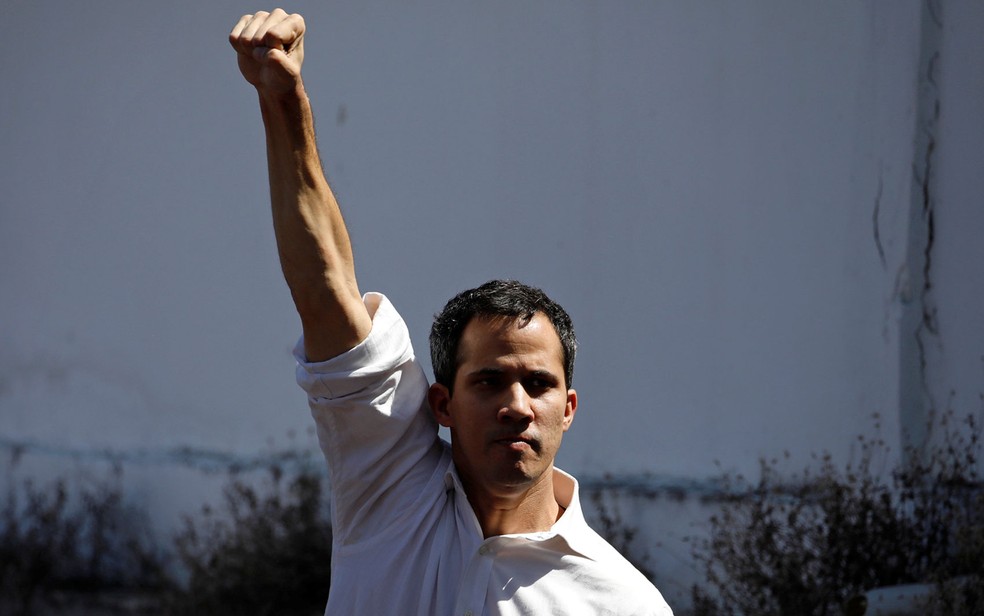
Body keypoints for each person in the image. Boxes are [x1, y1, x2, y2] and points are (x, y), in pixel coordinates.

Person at [229, 9, 674, 615]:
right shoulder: (389, 492)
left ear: (568, 409)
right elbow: (327, 287)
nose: (517, 406)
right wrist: (283, 101)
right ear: (442, 404)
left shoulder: (624, 604)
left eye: (539, 384)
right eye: (489, 380)